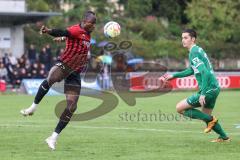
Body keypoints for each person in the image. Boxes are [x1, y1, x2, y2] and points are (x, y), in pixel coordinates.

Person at [20, 10, 97, 150]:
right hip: (65, 65)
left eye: (95, 24)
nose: (94, 26)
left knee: (72, 107)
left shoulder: (87, 33)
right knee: (51, 78)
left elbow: (72, 38)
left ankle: (53, 137)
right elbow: (63, 31)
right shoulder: (75, 29)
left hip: (75, 73)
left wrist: (62, 39)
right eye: (92, 24)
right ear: (85, 21)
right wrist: (49, 31)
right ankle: (33, 107)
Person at [164, 29, 230, 143]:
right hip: (214, 88)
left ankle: (211, 120)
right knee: (206, 116)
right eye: (182, 38)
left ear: (193, 39)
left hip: (208, 89)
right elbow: (191, 70)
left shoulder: (193, 52)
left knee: (179, 108)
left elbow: (204, 72)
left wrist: (203, 93)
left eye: (186, 38)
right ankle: (224, 137)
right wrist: (174, 76)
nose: (183, 40)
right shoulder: (197, 50)